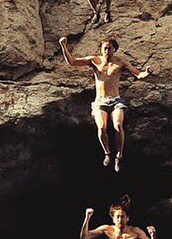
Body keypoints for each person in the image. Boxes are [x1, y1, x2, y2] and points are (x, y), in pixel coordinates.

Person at [60, 35, 150, 172]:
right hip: (100, 101)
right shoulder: (94, 61)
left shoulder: (121, 63)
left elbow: (138, 74)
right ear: (101, 49)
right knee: (101, 127)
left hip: (115, 100)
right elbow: (72, 62)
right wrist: (63, 46)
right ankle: (107, 153)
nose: (107, 51)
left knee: (118, 125)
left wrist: (147, 73)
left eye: (109, 48)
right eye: (104, 48)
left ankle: (119, 155)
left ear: (114, 49)